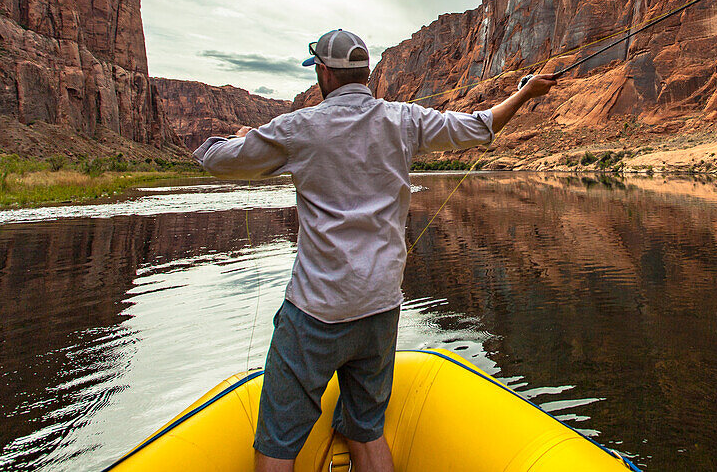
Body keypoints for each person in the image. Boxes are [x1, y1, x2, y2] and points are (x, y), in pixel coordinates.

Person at [193, 29, 556, 472]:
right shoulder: (403, 120)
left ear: (324, 73)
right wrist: (526, 94)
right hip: (381, 308)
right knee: (367, 432)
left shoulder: (299, 127)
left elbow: (216, 161)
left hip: (315, 313)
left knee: (277, 445)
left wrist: (230, 139)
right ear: (366, 74)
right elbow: (480, 126)